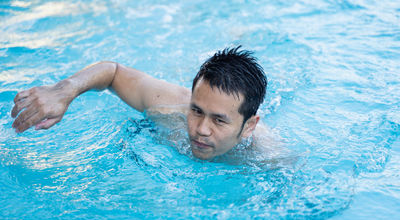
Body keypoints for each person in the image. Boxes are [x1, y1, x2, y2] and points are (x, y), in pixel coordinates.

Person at [11, 46, 272, 160]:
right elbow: (112, 71)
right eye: (196, 110)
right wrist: (64, 90)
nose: (201, 129)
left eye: (219, 120)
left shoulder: (268, 157)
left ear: (249, 126)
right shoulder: (169, 106)